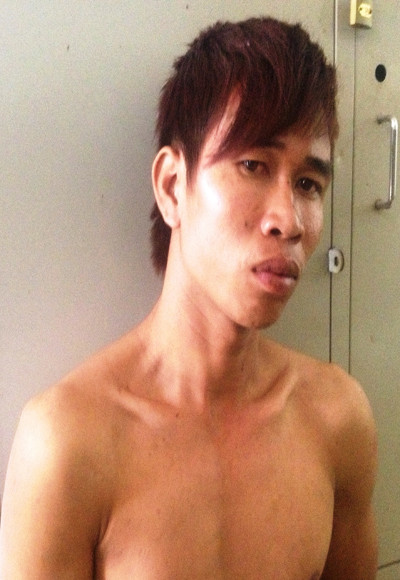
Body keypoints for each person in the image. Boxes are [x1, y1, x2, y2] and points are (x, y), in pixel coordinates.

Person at [0, 16, 377, 579]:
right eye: (253, 165)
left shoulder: (336, 420)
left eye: (308, 184)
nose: (289, 220)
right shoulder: (69, 444)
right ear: (173, 186)